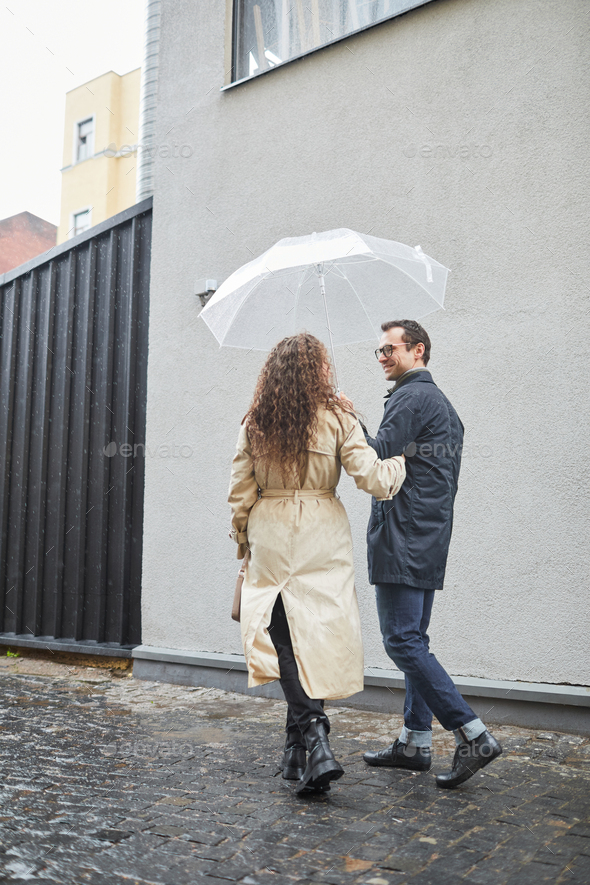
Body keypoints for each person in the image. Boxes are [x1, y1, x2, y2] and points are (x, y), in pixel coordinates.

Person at [228, 332, 406, 794]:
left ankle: (303, 744)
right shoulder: (339, 416)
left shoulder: (256, 421)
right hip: (322, 533)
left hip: (271, 529)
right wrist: (403, 461)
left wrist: (244, 546)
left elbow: (240, 494)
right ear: (318, 370)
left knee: (286, 634)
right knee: (317, 637)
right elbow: (374, 478)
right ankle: (312, 741)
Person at [347, 320, 502, 789]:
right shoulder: (439, 403)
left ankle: (472, 734)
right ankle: (415, 742)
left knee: (401, 641)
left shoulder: (412, 397)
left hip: (405, 537)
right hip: (427, 538)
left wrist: (347, 417)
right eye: (377, 350)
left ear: (418, 351)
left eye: (389, 348)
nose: (381, 357)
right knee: (415, 638)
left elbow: (374, 455)